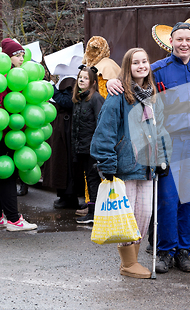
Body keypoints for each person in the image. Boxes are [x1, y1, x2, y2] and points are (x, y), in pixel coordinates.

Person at [107, 19, 190, 273]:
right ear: (171, 42)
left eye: (188, 40)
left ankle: (183, 252)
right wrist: (114, 81)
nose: (184, 44)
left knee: (188, 201)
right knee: (167, 200)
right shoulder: (158, 69)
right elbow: (133, 77)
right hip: (167, 145)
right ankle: (165, 251)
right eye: (179, 39)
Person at [91, 47, 170, 279]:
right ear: (128, 66)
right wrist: (107, 164)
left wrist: (162, 158)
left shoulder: (153, 96)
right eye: (136, 63)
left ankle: (132, 260)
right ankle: (128, 263)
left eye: (145, 61)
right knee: (128, 217)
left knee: (143, 216)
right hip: (125, 166)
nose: (141, 66)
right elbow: (104, 132)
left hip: (148, 166)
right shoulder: (117, 96)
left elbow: (160, 131)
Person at [0, 38, 37, 231]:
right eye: (17, 54)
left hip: (11, 135)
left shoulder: (17, 77)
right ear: (7, 57)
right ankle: (14, 219)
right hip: (7, 136)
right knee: (7, 175)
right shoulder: (5, 79)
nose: (22, 58)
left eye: (23, 54)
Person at [70, 65, 104, 223]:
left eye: (85, 78)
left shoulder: (95, 99)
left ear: (93, 82)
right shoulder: (78, 99)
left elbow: (100, 123)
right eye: (80, 77)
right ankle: (92, 210)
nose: (81, 80)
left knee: (93, 179)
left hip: (92, 148)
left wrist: (99, 147)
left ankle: (94, 213)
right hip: (82, 147)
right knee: (89, 178)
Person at [43, 76, 82, 211]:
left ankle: (70, 197)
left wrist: (52, 89)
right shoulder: (63, 81)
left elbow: (67, 101)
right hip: (59, 127)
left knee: (67, 162)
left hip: (67, 129)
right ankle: (63, 196)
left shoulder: (70, 81)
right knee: (59, 161)